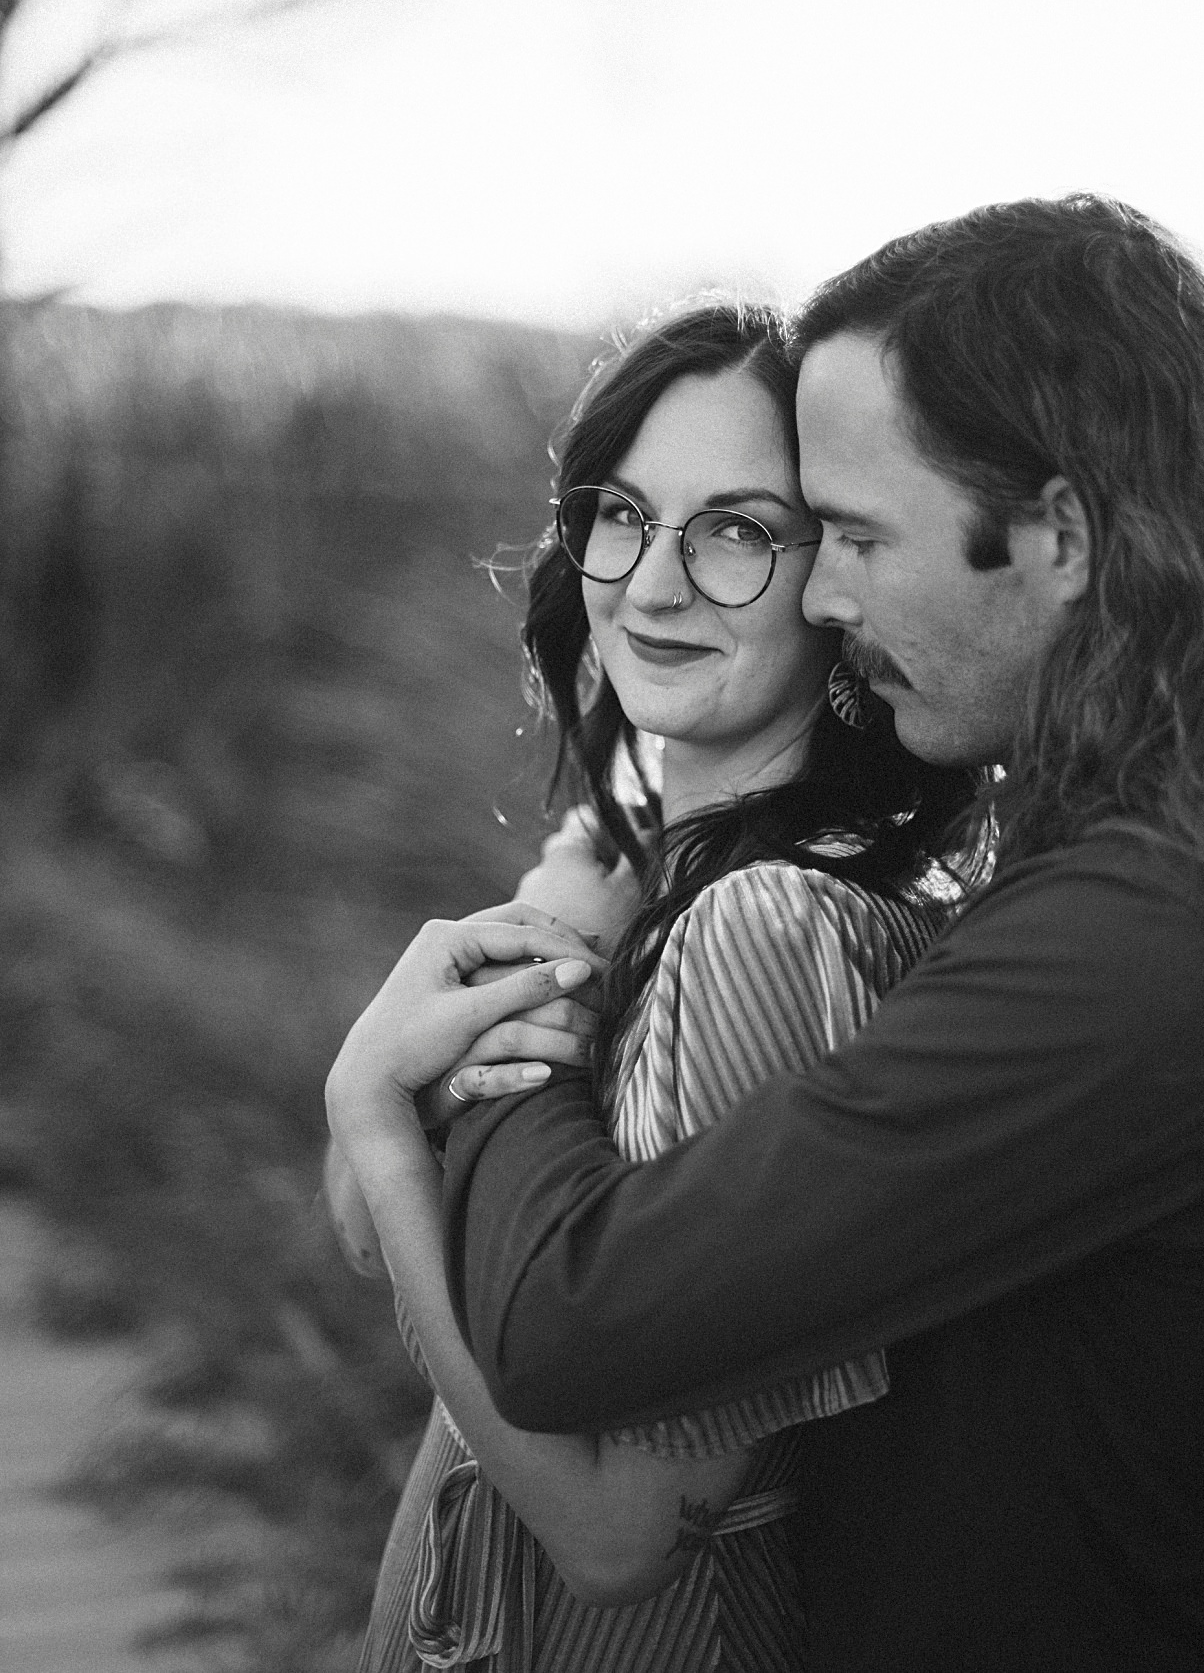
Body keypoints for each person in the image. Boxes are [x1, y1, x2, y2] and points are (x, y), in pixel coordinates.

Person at [332, 196, 1204, 1671]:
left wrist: (485, 1020)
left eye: (827, 534)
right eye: (620, 517)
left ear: (1059, 535)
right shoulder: (1112, 868)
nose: (830, 598)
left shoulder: (1154, 937)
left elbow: (577, 1338)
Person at [327, 302, 977, 1670]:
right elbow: (350, 1220)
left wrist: (382, 1122)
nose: (654, 583)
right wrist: (570, 895)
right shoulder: (647, 879)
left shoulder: (770, 932)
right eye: (623, 513)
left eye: (737, 530)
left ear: (838, 578)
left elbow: (621, 1533)